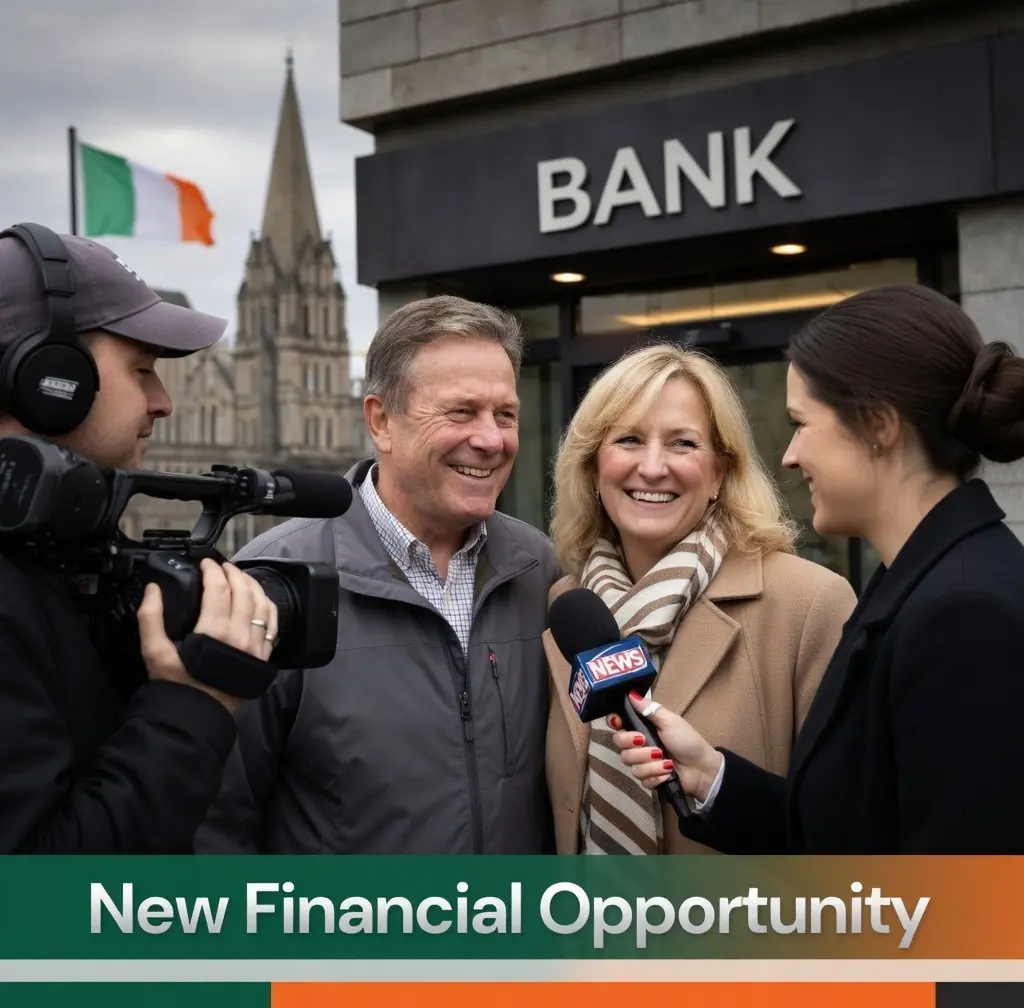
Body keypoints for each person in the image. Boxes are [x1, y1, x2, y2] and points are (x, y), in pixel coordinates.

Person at [611, 283, 1024, 854]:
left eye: (801, 423)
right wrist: (712, 777)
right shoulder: (918, 586)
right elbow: (855, 833)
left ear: (879, 425)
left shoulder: (964, 614)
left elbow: (961, 896)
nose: (789, 455)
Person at [193, 294, 560, 854]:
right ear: (381, 421)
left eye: (505, 414)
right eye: (461, 412)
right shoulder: (273, 581)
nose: (492, 440)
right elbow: (215, 831)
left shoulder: (540, 569)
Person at [0, 223, 279, 852]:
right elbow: (38, 896)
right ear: (52, 380)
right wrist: (191, 706)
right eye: (143, 370)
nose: (163, 401)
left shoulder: (48, 558)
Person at [543, 342, 856, 855]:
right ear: (593, 467)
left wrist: (716, 783)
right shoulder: (566, 607)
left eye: (683, 444)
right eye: (628, 439)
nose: (652, 467)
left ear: (719, 473)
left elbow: (850, 825)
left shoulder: (809, 604)